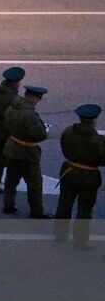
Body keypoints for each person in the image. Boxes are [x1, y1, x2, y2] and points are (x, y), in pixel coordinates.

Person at [54, 103, 103, 249]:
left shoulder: (68, 131)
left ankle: (60, 233)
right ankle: (80, 241)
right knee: (84, 209)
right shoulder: (98, 141)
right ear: (94, 120)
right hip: (88, 176)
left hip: (69, 171)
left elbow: (64, 146)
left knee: (64, 203)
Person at [2, 85, 52, 218]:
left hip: (12, 146)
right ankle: (36, 211)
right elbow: (41, 134)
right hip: (27, 152)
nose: (38, 101)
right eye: (38, 98)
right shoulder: (30, 114)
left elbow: (6, 124)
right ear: (33, 97)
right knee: (34, 183)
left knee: (11, 179)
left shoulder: (12, 107)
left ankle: (8, 204)